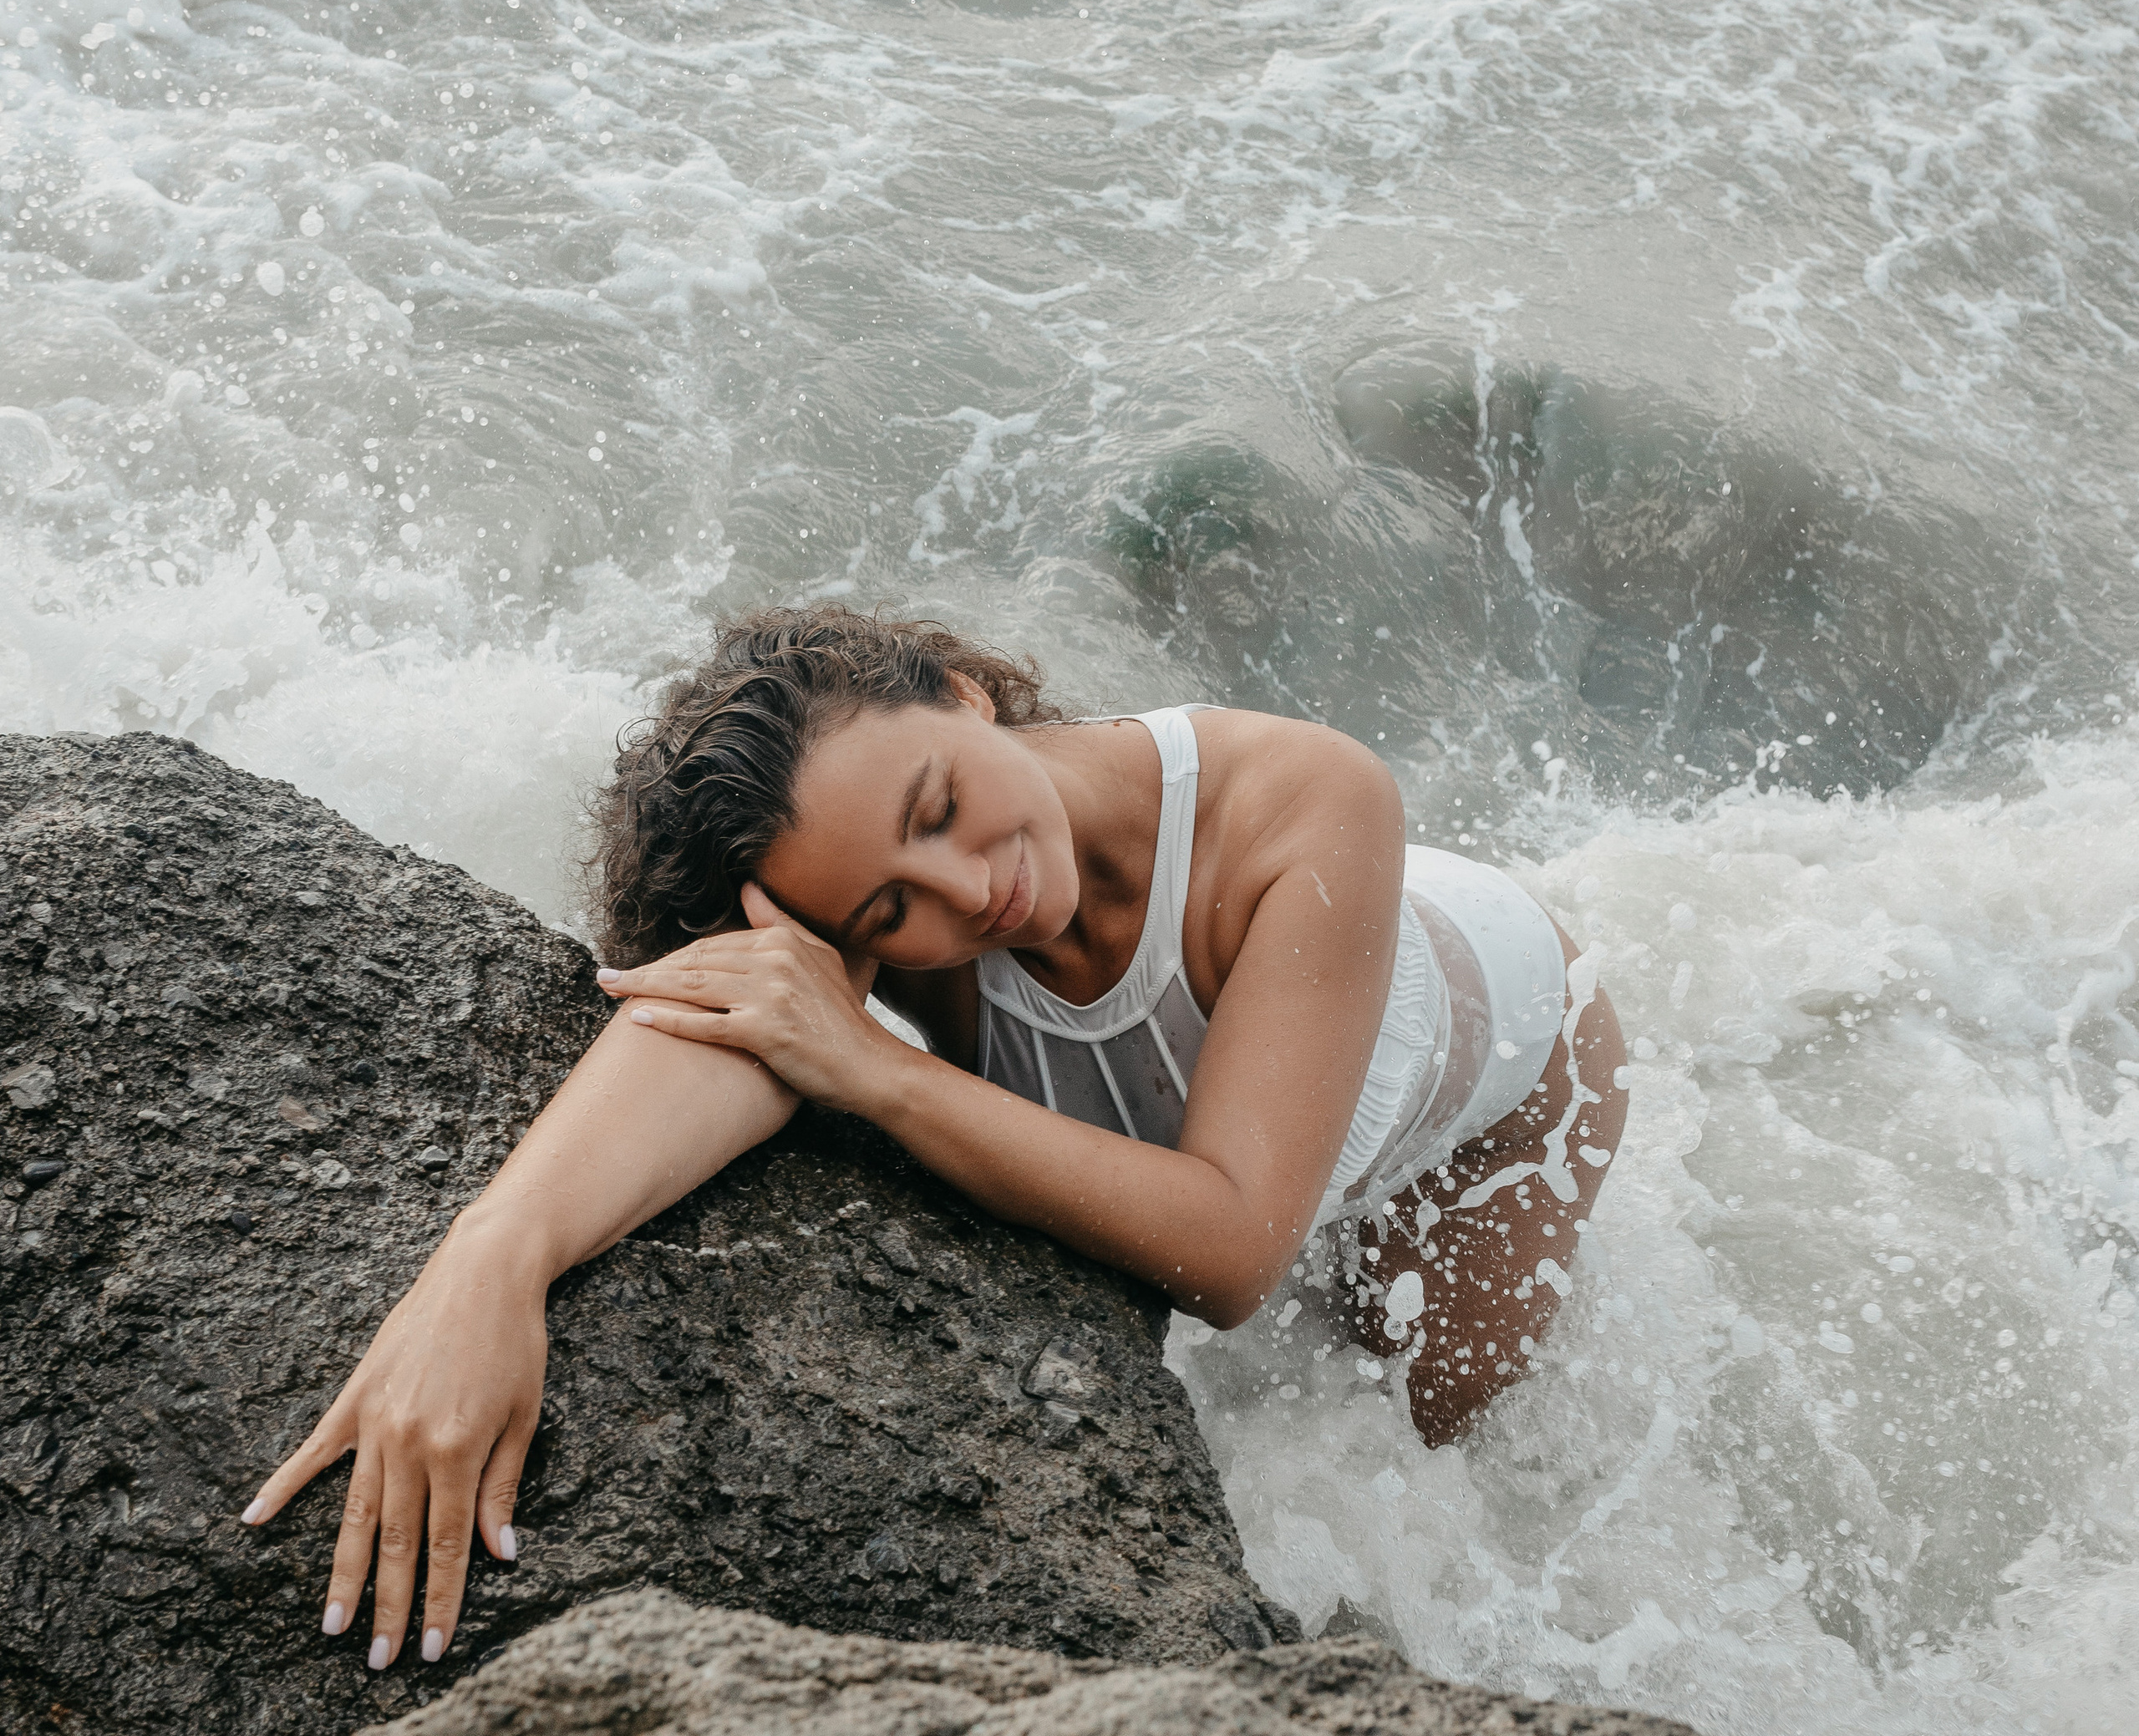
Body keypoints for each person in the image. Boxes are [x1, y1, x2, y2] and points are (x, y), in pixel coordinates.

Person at [243, 607, 1628, 1671]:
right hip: (1279, 1100)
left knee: (1420, 1450)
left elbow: (1230, 1251)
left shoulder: (1305, 799)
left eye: (941, 806)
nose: (973, 893)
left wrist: (876, 1076)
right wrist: (490, 1262)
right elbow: (710, 1020)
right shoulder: (870, 890)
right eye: (887, 915)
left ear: (965, 695)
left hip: (1501, 1073)